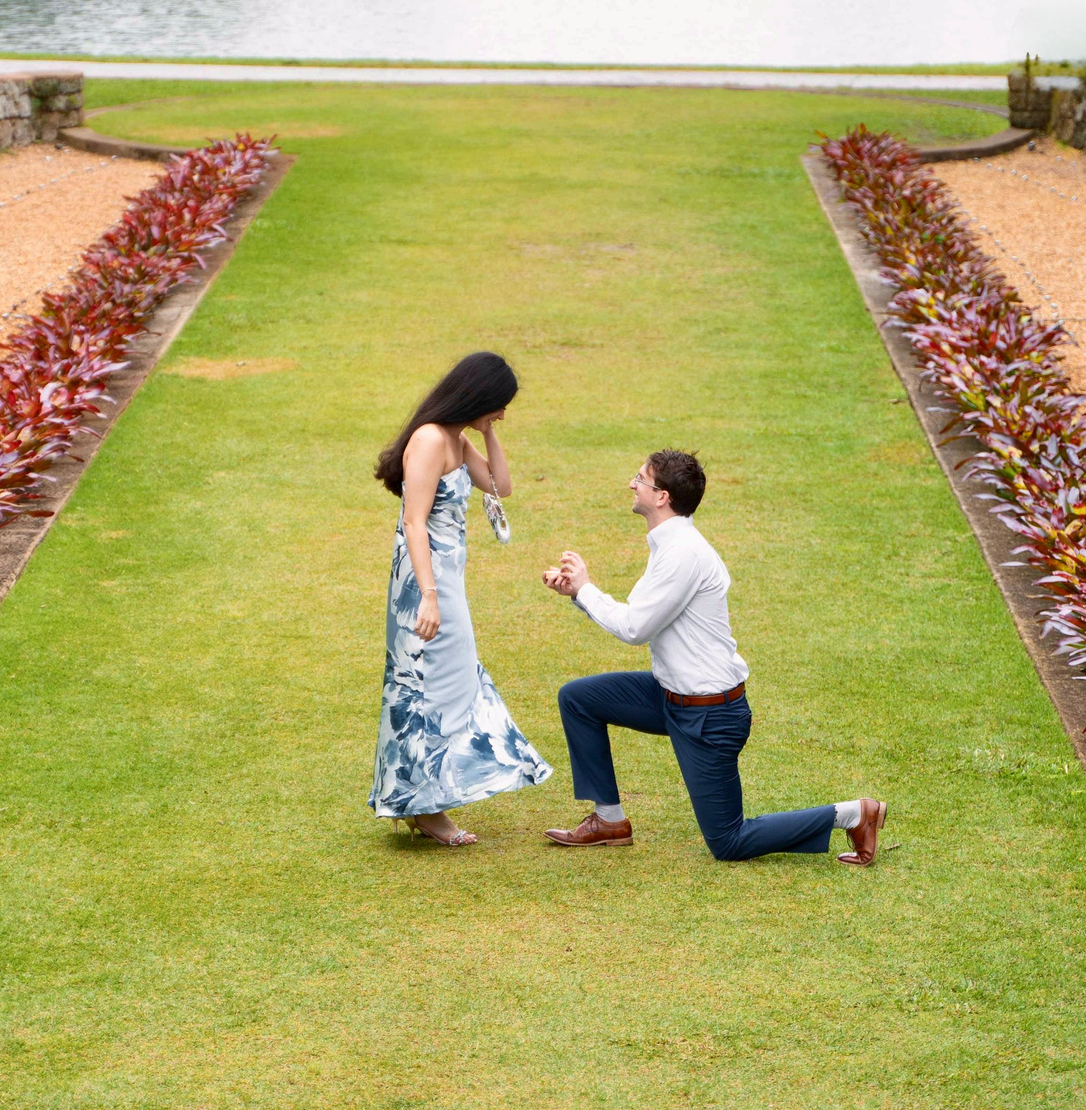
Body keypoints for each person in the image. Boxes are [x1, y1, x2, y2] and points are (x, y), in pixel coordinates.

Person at [541, 449, 886, 866]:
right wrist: (577, 594)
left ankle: (854, 813)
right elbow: (642, 617)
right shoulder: (670, 545)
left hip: (710, 716)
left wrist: (585, 589)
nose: (631, 484)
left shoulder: (683, 553)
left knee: (729, 842)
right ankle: (609, 820)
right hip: (669, 696)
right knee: (579, 698)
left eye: (639, 478)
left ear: (662, 496)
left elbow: (635, 628)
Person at [369, 352, 552, 846]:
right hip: (425, 582)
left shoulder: (457, 437)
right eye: (498, 405)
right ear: (477, 394)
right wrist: (428, 596)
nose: (503, 413)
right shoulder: (430, 440)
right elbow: (413, 521)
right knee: (429, 686)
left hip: (447, 579)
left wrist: (489, 429)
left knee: (448, 682)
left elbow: (501, 486)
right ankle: (427, 808)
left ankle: (424, 802)